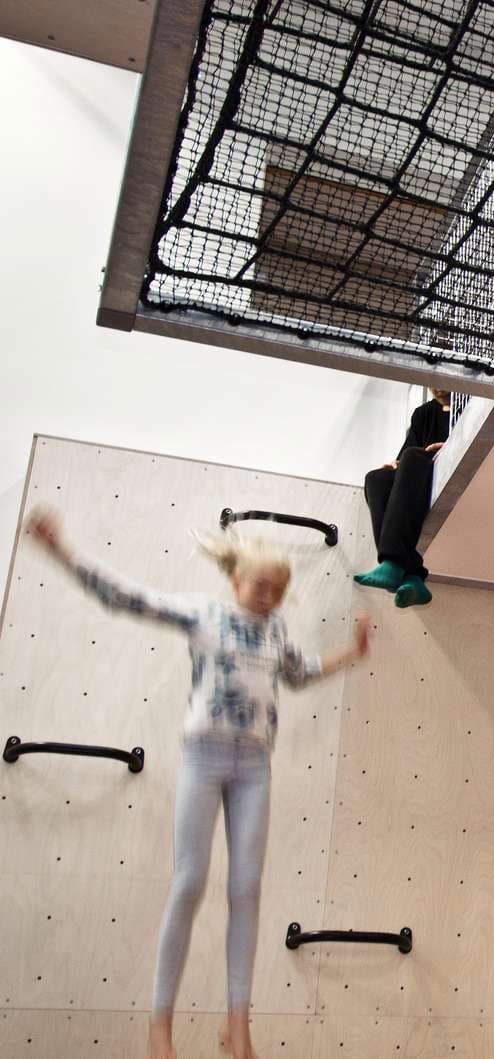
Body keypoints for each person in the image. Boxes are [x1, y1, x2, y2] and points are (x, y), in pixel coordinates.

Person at [24, 507, 372, 1059]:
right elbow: (125, 597)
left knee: (246, 890)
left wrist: (352, 653)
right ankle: (159, 1023)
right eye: (260, 586)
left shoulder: (276, 632)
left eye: (278, 590)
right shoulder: (204, 616)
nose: (268, 597)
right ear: (236, 581)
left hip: (254, 766)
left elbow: (300, 672)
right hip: (204, 759)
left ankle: (237, 1022)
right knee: (189, 882)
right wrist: (62, 550)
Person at [355, 387, 450, 608]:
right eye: (431, 383)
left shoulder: (471, 399)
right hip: (418, 473)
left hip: (434, 465)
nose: (436, 389)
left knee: (414, 455)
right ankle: (411, 576)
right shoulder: (423, 413)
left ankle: (395, 563)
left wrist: (448, 447)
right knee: (376, 478)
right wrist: (393, 465)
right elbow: (403, 458)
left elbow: (415, 453)